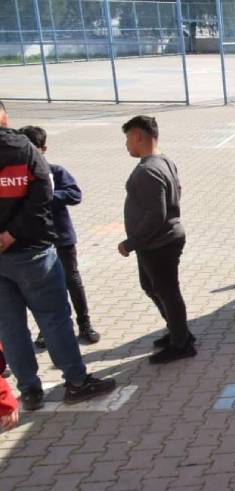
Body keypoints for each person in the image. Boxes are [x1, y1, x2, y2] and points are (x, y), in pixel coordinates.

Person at [0, 99, 116, 410]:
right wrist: (11, 234)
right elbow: (42, 198)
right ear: (5, 116)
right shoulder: (24, 150)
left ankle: (30, 391)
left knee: (10, 327)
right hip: (33, 254)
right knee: (54, 319)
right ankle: (76, 382)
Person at [119, 116, 194, 365]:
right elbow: (177, 192)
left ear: (139, 136)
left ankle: (181, 344)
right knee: (153, 287)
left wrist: (130, 243)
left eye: (128, 138)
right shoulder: (165, 162)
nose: (127, 144)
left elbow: (156, 215)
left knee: (167, 292)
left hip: (158, 244)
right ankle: (177, 330)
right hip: (155, 242)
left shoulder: (147, 170)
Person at [19, 126, 101, 347]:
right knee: (41, 288)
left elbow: (74, 194)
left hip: (62, 238)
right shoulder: (18, 176)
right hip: (34, 242)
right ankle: (48, 330)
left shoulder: (55, 171)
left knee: (72, 281)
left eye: (33, 148)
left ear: (43, 148)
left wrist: (46, 195)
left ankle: (84, 324)